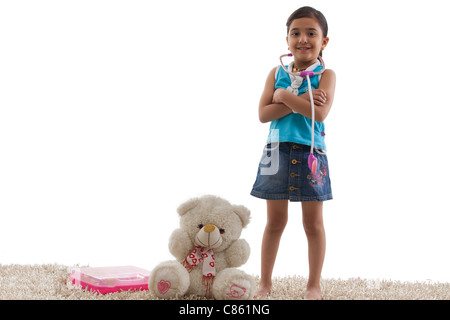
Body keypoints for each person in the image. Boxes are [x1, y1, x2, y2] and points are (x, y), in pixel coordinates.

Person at [250, 6, 336, 300]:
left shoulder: (327, 75)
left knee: (313, 223)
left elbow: (319, 114)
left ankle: (313, 286)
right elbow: (263, 114)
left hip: (312, 153)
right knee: (275, 222)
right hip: (276, 152)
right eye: (295, 33)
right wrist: (302, 99)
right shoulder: (276, 73)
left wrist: (285, 97)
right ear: (286, 40)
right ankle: (265, 284)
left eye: (311, 33)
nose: (303, 39)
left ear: (324, 41)